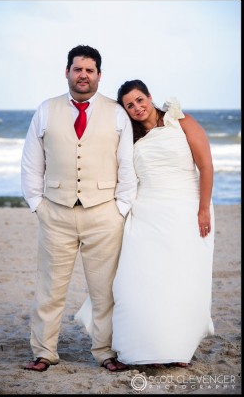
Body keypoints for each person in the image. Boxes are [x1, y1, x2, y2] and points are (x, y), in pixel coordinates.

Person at [76, 79, 215, 368]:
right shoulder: (130, 136)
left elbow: (205, 165)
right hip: (146, 212)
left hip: (186, 210)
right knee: (137, 280)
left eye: (140, 100)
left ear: (150, 97)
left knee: (181, 280)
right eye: (130, 105)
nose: (137, 107)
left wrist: (203, 209)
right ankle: (137, 346)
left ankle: (175, 347)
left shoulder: (181, 121)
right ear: (125, 110)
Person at [21, 45, 137, 372]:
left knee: (105, 292)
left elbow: (126, 165)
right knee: (50, 289)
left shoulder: (116, 113)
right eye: (77, 69)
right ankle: (44, 352)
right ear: (67, 72)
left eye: (89, 70)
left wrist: (120, 208)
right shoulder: (46, 109)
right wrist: (37, 204)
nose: (83, 75)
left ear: (99, 75)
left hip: (104, 214)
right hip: (55, 213)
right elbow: (31, 163)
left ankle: (105, 352)